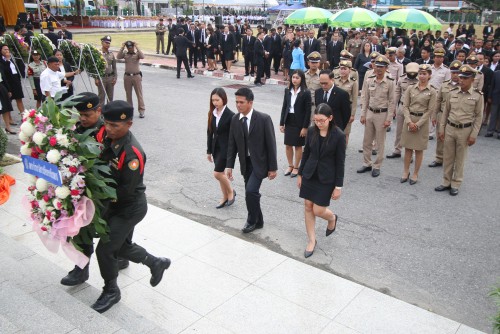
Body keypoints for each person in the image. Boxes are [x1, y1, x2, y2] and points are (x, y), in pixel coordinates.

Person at [91, 100, 171, 313]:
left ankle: (111, 291)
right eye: (106, 123)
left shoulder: (132, 153)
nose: (109, 129)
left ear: (129, 125)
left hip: (128, 206)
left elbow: (124, 192)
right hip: (114, 202)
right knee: (119, 246)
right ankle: (155, 263)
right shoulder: (106, 137)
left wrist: (95, 197)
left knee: (106, 248)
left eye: (115, 125)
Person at [59, 92, 130, 286]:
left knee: (114, 228)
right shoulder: (76, 128)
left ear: (98, 111)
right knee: (82, 229)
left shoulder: (109, 130)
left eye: (87, 114)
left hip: (106, 191)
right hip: (81, 189)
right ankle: (81, 269)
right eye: (80, 114)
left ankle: (122, 254)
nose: (82, 118)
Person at [226, 88, 278, 233]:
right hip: (245, 163)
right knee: (252, 193)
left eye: (241, 102)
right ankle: (259, 220)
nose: (238, 105)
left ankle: (251, 220)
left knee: (250, 191)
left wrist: (273, 168)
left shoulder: (263, 119)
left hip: (260, 163)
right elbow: (232, 144)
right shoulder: (235, 120)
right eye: (236, 102)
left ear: (250, 102)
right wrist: (229, 166)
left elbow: (271, 144)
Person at [297, 103, 345, 258]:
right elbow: (306, 153)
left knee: (318, 210)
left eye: (322, 120)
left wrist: (338, 186)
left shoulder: (339, 135)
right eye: (316, 120)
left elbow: (340, 162)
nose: (318, 123)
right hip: (310, 174)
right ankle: (311, 240)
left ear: (330, 118)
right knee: (308, 206)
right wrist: (300, 173)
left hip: (327, 177)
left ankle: (332, 218)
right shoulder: (311, 131)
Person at [435, 65, 483, 196]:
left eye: (465, 78)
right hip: (450, 127)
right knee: (448, 156)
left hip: (465, 130)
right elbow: (445, 113)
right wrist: (442, 129)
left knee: (460, 158)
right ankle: (446, 181)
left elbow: (479, 117)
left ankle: (456, 183)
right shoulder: (452, 92)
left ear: (472, 79)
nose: (461, 80)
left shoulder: (478, 96)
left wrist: (474, 134)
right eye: (460, 77)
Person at [357, 55, 395, 177]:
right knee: (366, 141)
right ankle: (367, 163)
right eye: (377, 66)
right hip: (370, 112)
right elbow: (365, 98)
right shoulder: (370, 80)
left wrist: (389, 119)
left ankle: (377, 165)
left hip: (382, 114)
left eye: (381, 67)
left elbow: (392, 101)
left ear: (386, 68)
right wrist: (363, 114)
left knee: (380, 142)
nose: (378, 69)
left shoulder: (390, 82)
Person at [400, 64, 437, 184]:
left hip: (422, 122)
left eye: (425, 74)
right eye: (420, 73)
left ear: (429, 75)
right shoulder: (411, 88)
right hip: (409, 119)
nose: (422, 76)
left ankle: (415, 173)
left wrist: (418, 124)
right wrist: (409, 122)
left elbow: (430, 110)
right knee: (408, 149)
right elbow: (405, 106)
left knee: (419, 149)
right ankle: (406, 171)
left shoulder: (432, 91)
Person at [206, 88, 236, 208]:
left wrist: (232, 155)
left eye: (217, 100)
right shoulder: (212, 113)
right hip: (216, 149)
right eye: (213, 100)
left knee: (217, 174)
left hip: (226, 150)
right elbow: (209, 132)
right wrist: (209, 151)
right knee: (220, 173)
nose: (215, 103)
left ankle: (231, 192)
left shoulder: (231, 115)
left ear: (223, 99)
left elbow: (233, 137)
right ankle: (224, 197)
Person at [428, 60, 461, 167]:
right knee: (440, 137)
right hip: (442, 115)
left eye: (457, 72)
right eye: (453, 72)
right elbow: (438, 100)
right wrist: (434, 115)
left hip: (455, 116)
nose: (455, 75)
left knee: (454, 139)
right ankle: (439, 158)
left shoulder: (464, 86)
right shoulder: (444, 85)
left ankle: (452, 160)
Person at [279, 69, 311, 177]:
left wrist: (305, 127)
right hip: (289, 120)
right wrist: (281, 123)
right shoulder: (287, 90)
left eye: (297, 78)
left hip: (300, 122)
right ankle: (290, 165)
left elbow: (308, 111)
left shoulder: (306, 92)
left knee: (298, 146)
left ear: (301, 79)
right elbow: (284, 107)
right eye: (293, 77)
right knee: (288, 145)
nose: (295, 80)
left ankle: (297, 167)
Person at [387, 62, 419, 159]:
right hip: (402, 106)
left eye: (414, 73)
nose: (412, 75)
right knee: (399, 130)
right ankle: (397, 150)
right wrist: (393, 108)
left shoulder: (419, 80)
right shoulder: (402, 78)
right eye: (410, 73)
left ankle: (411, 154)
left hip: (413, 108)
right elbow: (397, 93)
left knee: (412, 131)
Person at [117, 41, 146, 118]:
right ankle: (130, 111)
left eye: (131, 47)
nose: (130, 49)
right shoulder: (125, 54)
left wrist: (137, 47)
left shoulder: (137, 54)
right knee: (128, 95)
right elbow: (118, 56)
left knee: (139, 94)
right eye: (128, 47)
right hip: (127, 77)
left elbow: (142, 56)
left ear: (133, 47)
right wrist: (122, 47)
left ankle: (141, 111)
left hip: (136, 76)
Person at [335, 60, 358, 146]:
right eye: (341, 68)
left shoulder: (353, 82)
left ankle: (342, 152)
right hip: (336, 109)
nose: (342, 71)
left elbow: (355, 99)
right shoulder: (335, 80)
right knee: (334, 130)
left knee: (345, 132)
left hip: (347, 109)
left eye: (345, 69)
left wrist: (352, 114)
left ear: (350, 70)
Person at [0, 44, 25, 119]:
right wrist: (7, 60)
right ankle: (9, 118)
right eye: (5, 49)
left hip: (15, 80)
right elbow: (5, 71)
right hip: (7, 81)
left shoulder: (11, 59)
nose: (7, 51)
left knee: (19, 98)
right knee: (8, 100)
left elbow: (15, 70)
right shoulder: (2, 61)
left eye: (8, 49)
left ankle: (23, 116)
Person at [95, 36, 117, 106]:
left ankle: (109, 115)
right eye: (106, 43)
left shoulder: (111, 54)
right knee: (101, 97)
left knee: (110, 98)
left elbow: (114, 67)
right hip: (101, 78)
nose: (108, 44)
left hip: (110, 77)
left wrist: (115, 78)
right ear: (102, 43)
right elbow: (95, 67)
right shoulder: (98, 53)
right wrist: (96, 78)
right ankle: (100, 115)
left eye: (109, 43)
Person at [305, 52, 322, 120]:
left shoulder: (322, 75)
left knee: (314, 127)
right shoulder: (304, 75)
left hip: (315, 106)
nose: (314, 64)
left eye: (316, 62)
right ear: (308, 63)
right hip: (304, 105)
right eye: (312, 62)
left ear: (319, 63)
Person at [0, 61, 14, 134]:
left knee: (5, 107)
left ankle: (8, 127)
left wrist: (8, 89)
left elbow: (4, 77)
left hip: (1, 85)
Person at [486, 69, 500, 138]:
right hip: (495, 97)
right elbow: (492, 85)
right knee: (493, 115)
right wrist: (489, 96)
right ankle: (490, 131)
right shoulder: (496, 73)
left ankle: (499, 132)